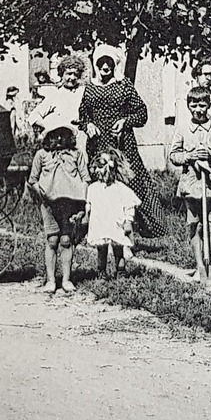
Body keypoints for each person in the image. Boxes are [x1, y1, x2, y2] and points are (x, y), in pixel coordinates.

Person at [79, 53, 165, 237]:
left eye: (108, 62)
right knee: (101, 187)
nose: (105, 67)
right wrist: (88, 125)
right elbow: (83, 115)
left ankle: (129, 233)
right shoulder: (90, 88)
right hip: (98, 144)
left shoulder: (124, 85)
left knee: (128, 186)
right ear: (96, 64)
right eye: (101, 63)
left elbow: (142, 113)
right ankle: (101, 231)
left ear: (114, 64)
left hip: (122, 143)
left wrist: (125, 121)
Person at [167, 87, 211, 284]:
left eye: (202, 105)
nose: (198, 109)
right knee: (194, 226)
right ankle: (199, 267)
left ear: (209, 105)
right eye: (193, 105)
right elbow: (173, 155)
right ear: (188, 106)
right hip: (192, 184)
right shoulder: (183, 129)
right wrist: (188, 156)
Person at [28, 125, 89, 294]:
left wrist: (82, 203)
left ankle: (67, 279)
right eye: (56, 135)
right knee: (52, 240)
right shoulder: (41, 155)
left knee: (66, 240)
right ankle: (50, 280)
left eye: (64, 135)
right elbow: (32, 179)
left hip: (70, 203)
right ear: (49, 138)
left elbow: (85, 178)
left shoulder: (77, 155)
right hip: (49, 204)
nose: (60, 139)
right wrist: (41, 192)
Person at [85, 147, 139, 279]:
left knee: (118, 247)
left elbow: (129, 205)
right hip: (100, 222)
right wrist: (86, 217)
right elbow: (88, 204)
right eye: (95, 168)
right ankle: (101, 271)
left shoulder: (119, 188)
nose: (97, 171)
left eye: (100, 167)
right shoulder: (93, 188)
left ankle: (120, 270)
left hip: (115, 223)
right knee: (101, 248)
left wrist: (128, 221)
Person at [30, 54, 87, 152]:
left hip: (81, 140)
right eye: (69, 74)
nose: (72, 78)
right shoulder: (55, 95)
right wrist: (50, 127)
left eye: (75, 74)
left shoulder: (84, 92)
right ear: (62, 74)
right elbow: (33, 116)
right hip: (61, 143)